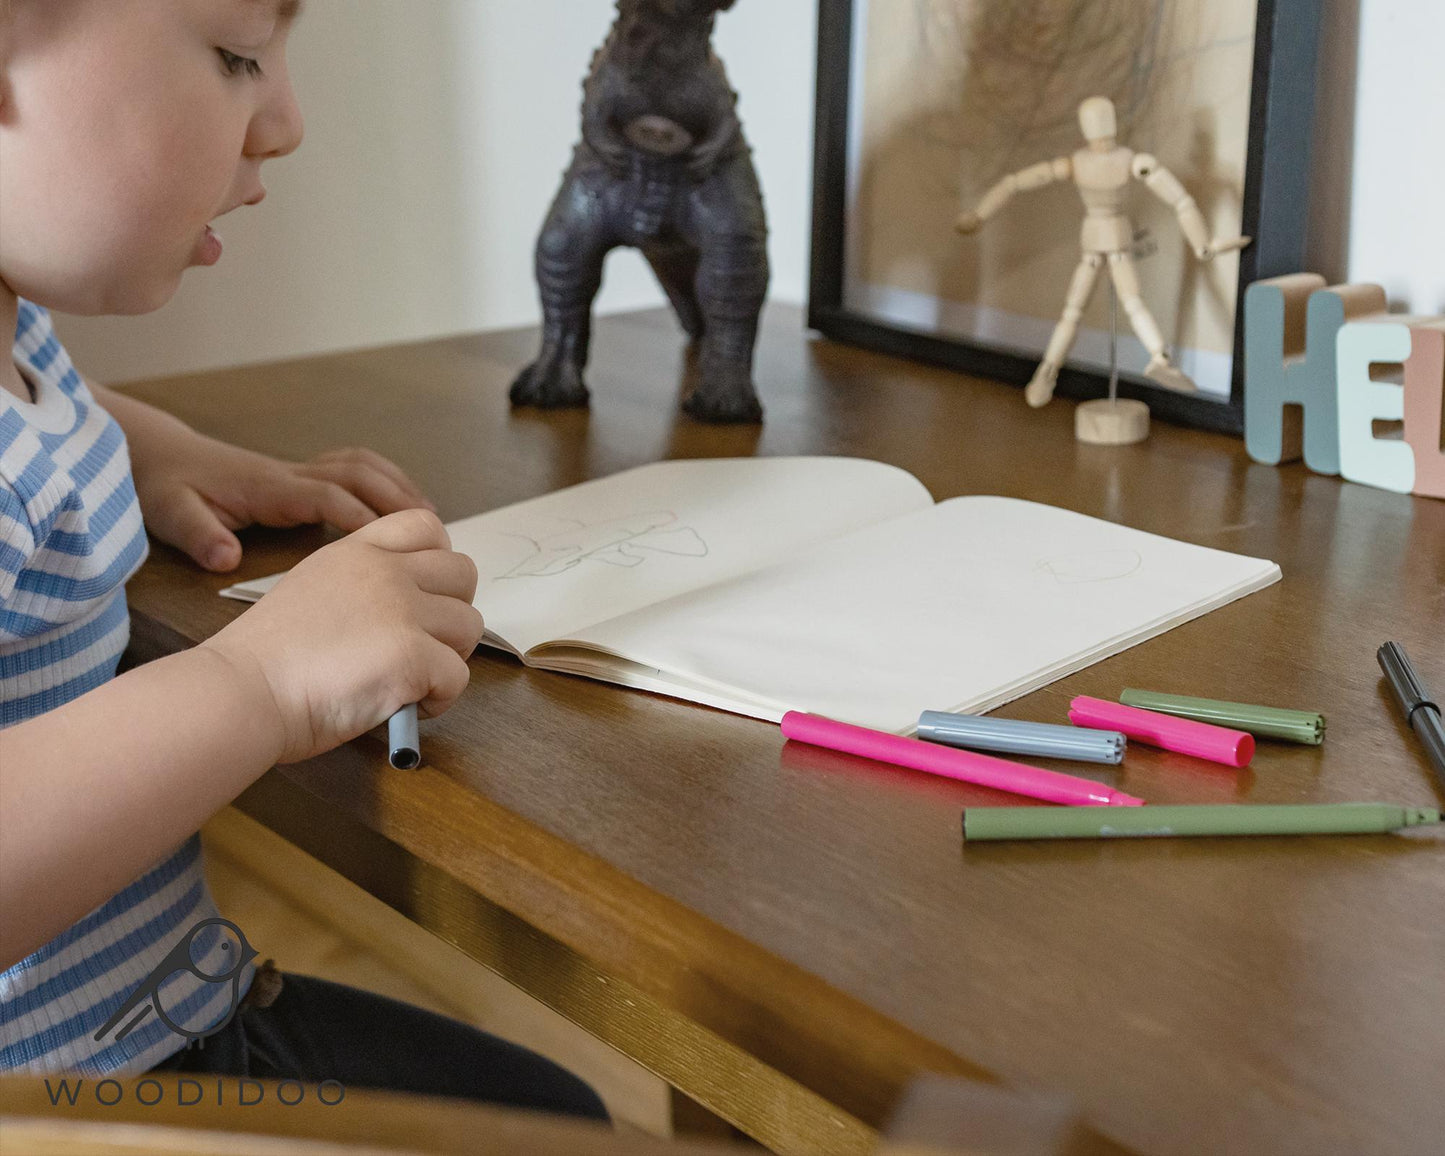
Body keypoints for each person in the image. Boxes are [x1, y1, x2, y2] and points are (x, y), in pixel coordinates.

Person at [0, 0, 606, 1120]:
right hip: (77, 1114)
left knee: (539, 1111)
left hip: (160, 1028)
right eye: (237, 54)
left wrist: (158, 450)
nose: (284, 119)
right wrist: (259, 680)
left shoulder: (14, 325)